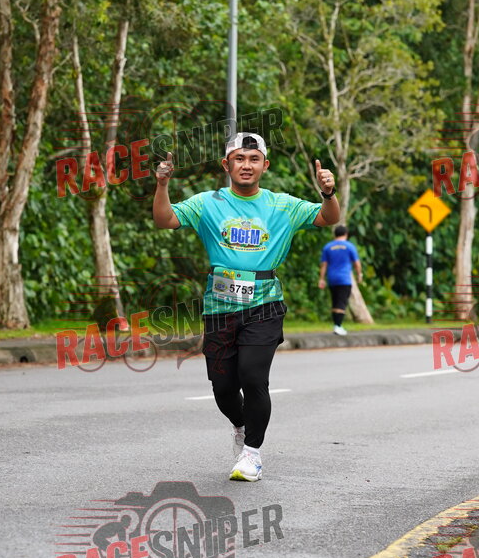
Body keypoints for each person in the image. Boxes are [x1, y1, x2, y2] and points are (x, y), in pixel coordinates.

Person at [153, 132, 339, 482]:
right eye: (239, 158)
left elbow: (328, 218)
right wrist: (162, 185)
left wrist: (328, 193)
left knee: (253, 376)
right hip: (219, 306)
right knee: (223, 387)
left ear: (265, 165)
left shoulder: (282, 205)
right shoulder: (208, 203)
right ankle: (241, 426)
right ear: (227, 165)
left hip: (264, 304)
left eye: (254, 159)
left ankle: (252, 453)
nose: (247, 165)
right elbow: (165, 220)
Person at [318, 225, 363, 336]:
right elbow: (356, 263)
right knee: (341, 302)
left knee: (335, 302)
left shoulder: (328, 247)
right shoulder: (350, 246)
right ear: (346, 234)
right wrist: (359, 274)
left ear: (335, 234)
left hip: (332, 278)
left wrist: (321, 279)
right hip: (344, 279)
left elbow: (324, 264)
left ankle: (337, 325)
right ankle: (338, 326)